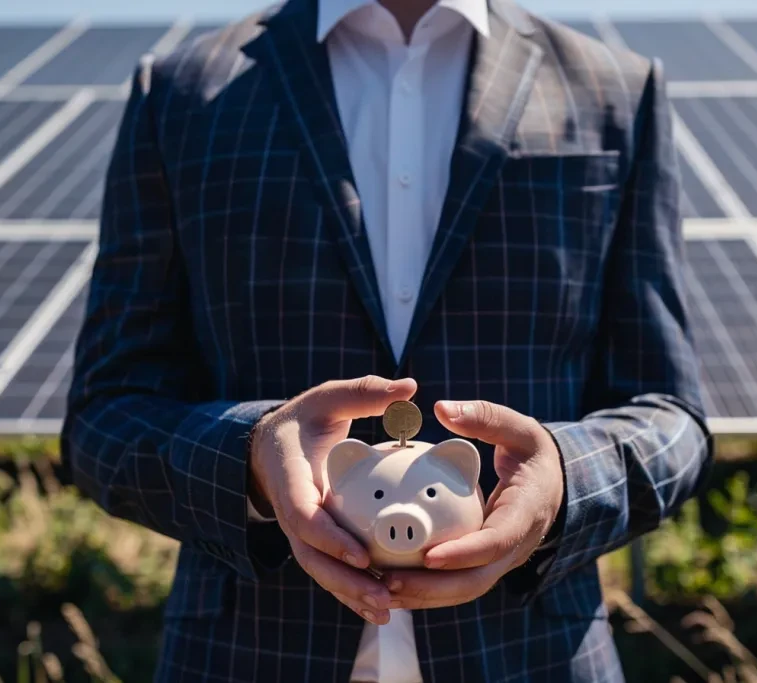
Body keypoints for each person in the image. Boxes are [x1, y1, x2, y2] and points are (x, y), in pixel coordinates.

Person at [62, 0, 714, 680]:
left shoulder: (614, 89)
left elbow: (671, 416)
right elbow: (104, 415)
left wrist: (564, 477)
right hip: (247, 656)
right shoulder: (181, 93)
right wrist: (248, 457)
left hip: (533, 659)